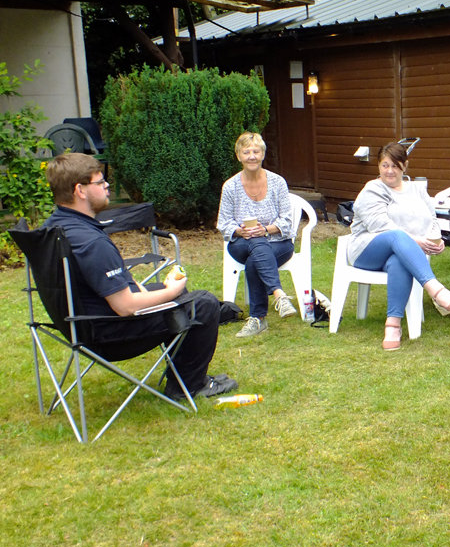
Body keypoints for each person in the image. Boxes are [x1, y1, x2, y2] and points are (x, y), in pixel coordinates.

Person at [43, 153, 237, 400]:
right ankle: (189, 386)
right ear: (80, 190)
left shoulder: (54, 228)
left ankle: (183, 376)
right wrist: (172, 291)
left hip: (78, 325)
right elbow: (125, 307)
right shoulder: (91, 242)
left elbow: (98, 279)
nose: (107, 186)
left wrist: (150, 289)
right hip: (109, 335)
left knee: (170, 294)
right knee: (204, 304)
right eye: (100, 182)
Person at [348, 142, 450, 351]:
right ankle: (436, 291)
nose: (390, 171)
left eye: (395, 165)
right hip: (366, 249)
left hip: (399, 251)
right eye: (385, 165)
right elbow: (379, 225)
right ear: (378, 166)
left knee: (398, 260)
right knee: (396, 235)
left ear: (405, 166)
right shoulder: (373, 189)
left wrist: (434, 240)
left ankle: (393, 325)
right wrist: (415, 240)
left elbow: (432, 218)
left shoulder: (417, 190)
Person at [217, 132, 298, 338]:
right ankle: (279, 294)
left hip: (278, 243)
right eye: (246, 152)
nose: (251, 156)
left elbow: (287, 222)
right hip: (241, 243)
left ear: (263, 154)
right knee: (255, 243)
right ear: (239, 156)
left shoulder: (278, 182)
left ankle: (258, 319)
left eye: (256, 151)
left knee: (256, 259)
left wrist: (264, 230)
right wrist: (241, 231)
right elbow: (223, 223)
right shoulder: (230, 186)